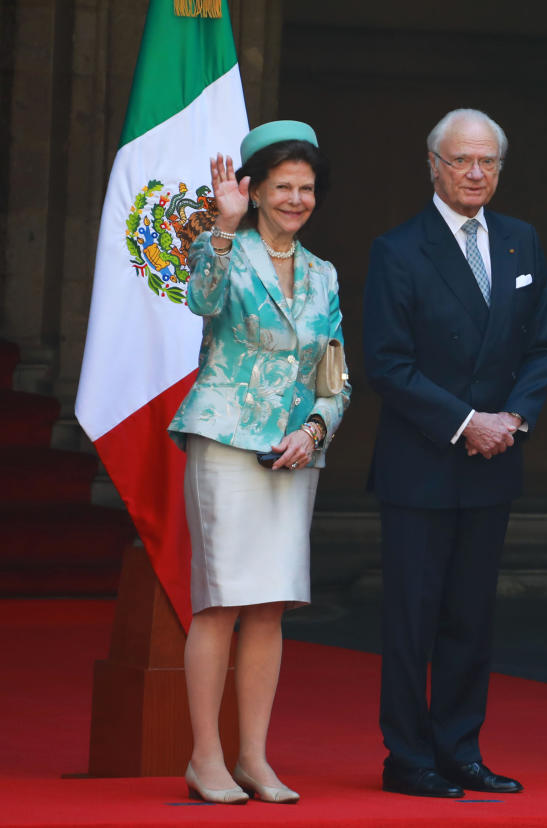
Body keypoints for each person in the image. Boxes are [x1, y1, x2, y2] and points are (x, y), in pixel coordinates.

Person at [363, 108, 547, 799]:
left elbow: (542, 346)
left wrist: (514, 419)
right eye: (461, 161)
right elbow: (386, 363)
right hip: (423, 463)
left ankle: (459, 750)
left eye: (488, 163)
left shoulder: (521, 242)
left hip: (494, 460)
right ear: (433, 165)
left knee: (471, 620)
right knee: (413, 621)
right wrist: (466, 420)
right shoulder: (398, 249)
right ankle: (407, 758)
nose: (475, 174)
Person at [168, 120, 350, 804]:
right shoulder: (226, 253)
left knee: (270, 606)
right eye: (282, 187)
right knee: (220, 603)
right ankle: (204, 759)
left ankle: (253, 758)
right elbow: (200, 301)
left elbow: (337, 376)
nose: (296, 200)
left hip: (292, 455)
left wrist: (315, 429)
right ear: (255, 189)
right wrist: (221, 227)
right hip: (225, 443)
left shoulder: (324, 274)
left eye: (306, 189)